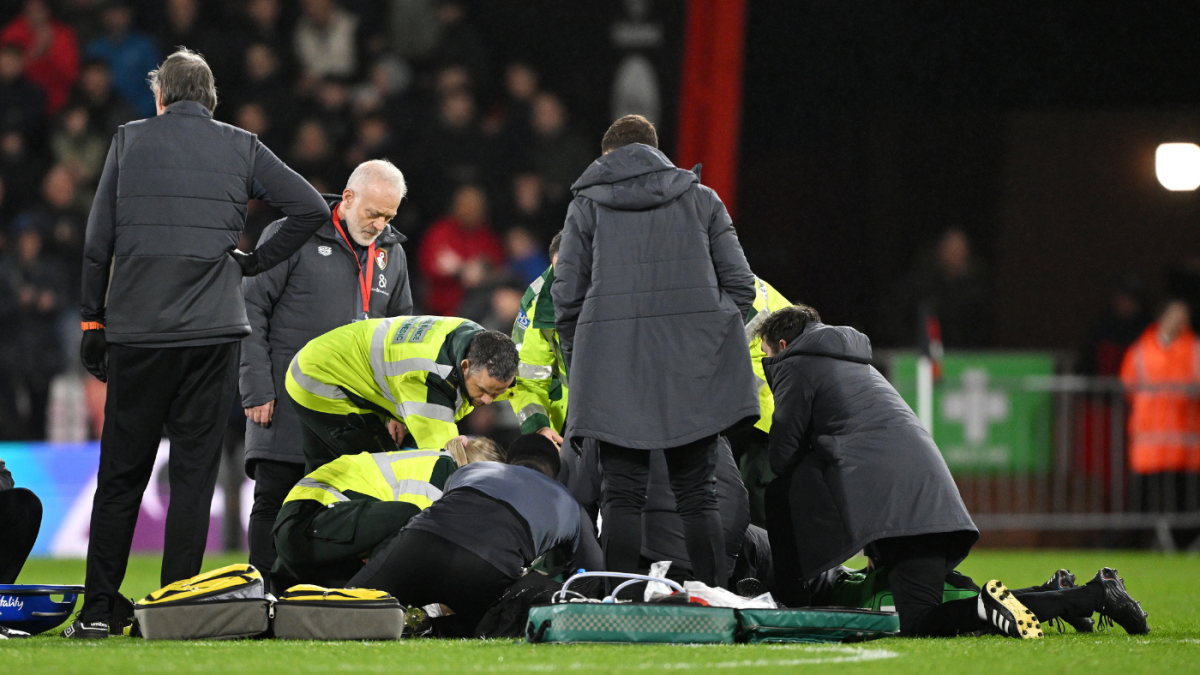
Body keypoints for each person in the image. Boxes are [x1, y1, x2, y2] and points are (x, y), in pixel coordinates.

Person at [68, 49, 330, 640]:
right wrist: (252, 262)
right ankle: (173, 612)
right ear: (211, 100)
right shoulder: (241, 145)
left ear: (161, 97)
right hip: (214, 335)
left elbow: (96, 241)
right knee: (192, 478)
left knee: (120, 477)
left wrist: (91, 322)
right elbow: (311, 207)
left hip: (138, 334)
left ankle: (98, 612)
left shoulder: (130, 140)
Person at [756, 304, 1149, 638]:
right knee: (931, 607)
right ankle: (1055, 594)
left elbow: (782, 454)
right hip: (920, 502)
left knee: (921, 619)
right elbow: (870, 457)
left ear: (784, 346)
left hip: (908, 511)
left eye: (766, 355)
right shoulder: (850, 364)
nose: (767, 365)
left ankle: (1093, 595)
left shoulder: (798, 364)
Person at [553, 114, 759, 589]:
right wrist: (703, 339)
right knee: (698, 494)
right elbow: (742, 289)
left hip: (614, 370)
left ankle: (619, 603)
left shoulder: (587, 207)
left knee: (621, 496)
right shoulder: (703, 200)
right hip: (691, 372)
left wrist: (583, 356)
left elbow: (566, 298)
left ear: (609, 157)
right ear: (656, 151)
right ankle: (716, 600)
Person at [241, 159, 413, 591]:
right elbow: (250, 309)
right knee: (275, 498)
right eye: (374, 213)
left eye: (389, 216)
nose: (380, 224)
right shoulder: (291, 233)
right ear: (348, 198)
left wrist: (398, 407)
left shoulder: (393, 255)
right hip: (286, 398)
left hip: (356, 414)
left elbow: (400, 338)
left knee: (341, 506)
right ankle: (263, 595)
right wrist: (257, 386)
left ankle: (326, 597)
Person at [346, 434, 604, 637]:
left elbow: (453, 516)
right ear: (554, 473)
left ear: (509, 461)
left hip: (416, 544)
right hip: (482, 569)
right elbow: (590, 576)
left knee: (346, 606)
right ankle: (437, 628)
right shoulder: (569, 504)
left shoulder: (469, 472)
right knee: (528, 595)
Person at [285, 316, 518, 472]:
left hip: (342, 358)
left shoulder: (473, 340)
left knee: (331, 473)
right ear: (465, 366)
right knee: (376, 476)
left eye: (498, 393)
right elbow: (445, 463)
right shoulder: (428, 379)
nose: (488, 401)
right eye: (484, 391)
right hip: (322, 377)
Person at [273, 436, 502, 590]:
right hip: (310, 523)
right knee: (409, 525)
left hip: (306, 530)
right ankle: (376, 604)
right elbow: (420, 545)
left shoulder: (436, 463)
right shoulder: (442, 473)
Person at [562, 436, 750, 589]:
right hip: (727, 549)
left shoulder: (606, 417)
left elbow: (581, 509)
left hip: (663, 552)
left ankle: (622, 598)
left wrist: (582, 580)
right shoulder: (698, 409)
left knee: (621, 509)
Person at [1120, 299, 1200, 507]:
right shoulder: (1141, 350)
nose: (1180, 321)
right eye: (1175, 315)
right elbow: (1128, 386)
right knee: (1144, 502)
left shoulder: (1194, 350)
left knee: (1183, 504)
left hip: (1184, 449)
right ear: (1162, 318)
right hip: (1149, 446)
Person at [729, 275, 793, 528]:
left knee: (756, 511)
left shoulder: (730, 292)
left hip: (761, 420)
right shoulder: (747, 285)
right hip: (766, 417)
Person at [505, 231, 567, 445]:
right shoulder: (539, 302)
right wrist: (539, 428)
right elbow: (527, 380)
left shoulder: (622, 289)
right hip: (570, 430)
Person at [417, 184, 506, 316]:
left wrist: (482, 270)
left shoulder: (488, 236)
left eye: (476, 206)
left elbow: (500, 268)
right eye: (466, 204)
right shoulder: (440, 232)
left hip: (483, 308)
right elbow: (430, 266)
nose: (470, 210)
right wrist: (463, 270)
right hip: (444, 311)